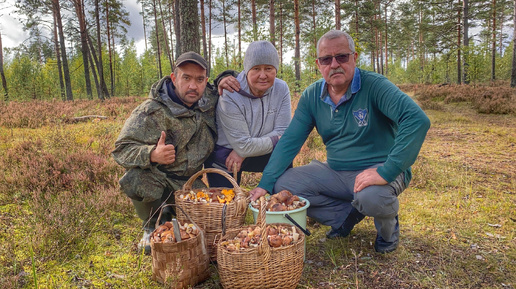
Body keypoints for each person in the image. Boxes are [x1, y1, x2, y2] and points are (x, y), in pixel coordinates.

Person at [249, 30, 431, 254]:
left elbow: (416, 120)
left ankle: (388, 230)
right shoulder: (312, 96)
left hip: (380, 170)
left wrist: (386, 170)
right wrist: (265, 183)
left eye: (342, 57)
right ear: (318, 64)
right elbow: (289, 142)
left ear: (354, 58)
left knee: (372, 197)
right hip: (337, 172)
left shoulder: (375, 86)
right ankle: (344, 217)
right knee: (285, 185)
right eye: (326, 59)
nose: (334, 64)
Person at [112, 51, 238, 254]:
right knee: (136, 177)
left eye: (199, 80)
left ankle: (171, 214)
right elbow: (121, 150)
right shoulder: (150, 111)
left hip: (189, 183)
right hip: (160, 179)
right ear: (174, 78)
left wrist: (225, 76)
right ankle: (151, 225)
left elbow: (237, 79)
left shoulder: (210, 100)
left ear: (206, 81)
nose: (192, 86)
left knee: (204, 235)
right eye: (186, 78)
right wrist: (151, 154)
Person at [204, 41, 292, 187]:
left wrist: (244, 151)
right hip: (227, 154)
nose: (263, 75)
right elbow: (245, 145)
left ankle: (277, 204)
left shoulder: (281, 88)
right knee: (226, 205)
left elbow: (284, 131)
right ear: (246, 70)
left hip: (258, 150)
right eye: (256, 68)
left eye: (269, 68)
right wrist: (245, 148)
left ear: (276, 69)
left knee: (285, 155)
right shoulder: (230, 92)